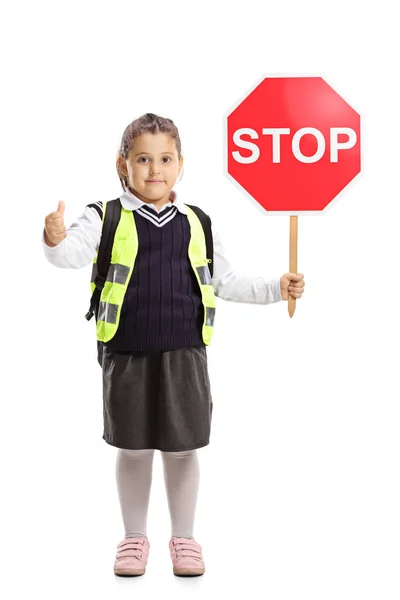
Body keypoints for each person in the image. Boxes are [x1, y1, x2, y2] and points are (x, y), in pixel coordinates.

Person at [42, 112, 305, 578]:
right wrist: (54, 239)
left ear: (181, 163)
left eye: (165, 158)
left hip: (185, 352)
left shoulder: (196, 221)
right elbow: (70, 255)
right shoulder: (104, 215)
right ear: (123, 164)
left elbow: (224, 280)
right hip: (125, 353)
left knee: (183, 448)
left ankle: (184, 538)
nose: (155, 169)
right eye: (143, 159)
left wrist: (275, 286)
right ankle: (134, 537)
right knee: (134, 447)